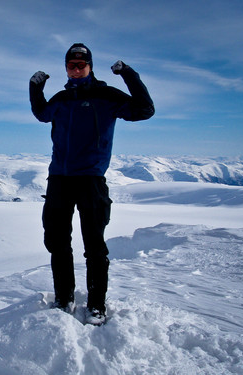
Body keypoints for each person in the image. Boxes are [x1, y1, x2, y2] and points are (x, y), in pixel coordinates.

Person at [29, 43, 154, 325]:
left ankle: (96, 305)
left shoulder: (106, 95)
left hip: (91, 179)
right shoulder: (61, 98)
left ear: (90, 66)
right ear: (66, 68)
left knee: (94, 246)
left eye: (80, 65)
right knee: (57, 242)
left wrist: (129, 74)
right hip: (59, 178)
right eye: (70, 65)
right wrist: (35, 88)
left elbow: (145, 109)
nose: (75, 70)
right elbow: (42, 114)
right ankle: (64, 299)